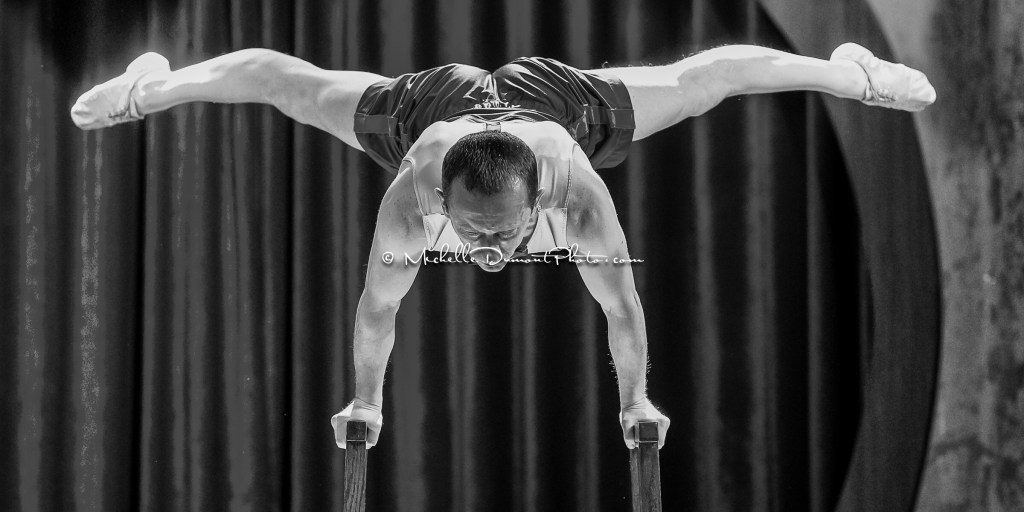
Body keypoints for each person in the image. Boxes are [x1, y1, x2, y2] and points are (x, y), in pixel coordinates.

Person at [71, 42, 935, 452]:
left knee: (708, 80)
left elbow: (620, 308)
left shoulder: (578, 194)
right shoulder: (409, 194)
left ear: (540, 203)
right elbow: (377, 310)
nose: (489, 250)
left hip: (556, 103)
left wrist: (636, 399)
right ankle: (150, 87)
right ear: (439, 199)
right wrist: (366, 401)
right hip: (431, 105)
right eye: (473, 230)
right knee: (278, 83)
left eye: (507, 233)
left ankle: (852, 74)